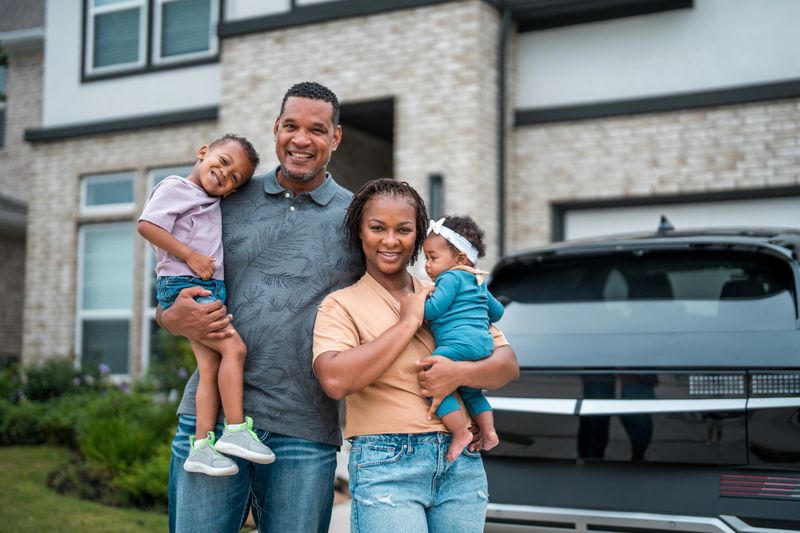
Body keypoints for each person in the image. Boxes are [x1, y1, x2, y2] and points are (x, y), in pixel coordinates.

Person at [158, 82, 364, 533]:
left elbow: (386, 302)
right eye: (290, 126)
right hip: (209, 424)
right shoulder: (228, 196)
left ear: (336, 138)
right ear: (276, 129)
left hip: (303, 426)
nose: (301, 140)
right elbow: (173, 284)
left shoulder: (356, 217)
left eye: (316, 129)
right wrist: (171, 316)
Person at [313, 179, 519, 533]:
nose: (390, 240)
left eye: (404, 230)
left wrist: (458, 375)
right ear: (359, 232)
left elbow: (507, 365)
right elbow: (335, 380)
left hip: (461, 462)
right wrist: (408, 322)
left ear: (419, 238)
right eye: (377, 228)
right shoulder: (341, 305)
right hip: (387, 462)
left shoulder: (449, 288)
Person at [139, 133, 275, 477]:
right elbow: (147, 225)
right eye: (223, 162)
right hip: (189, 285)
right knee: (236, 350)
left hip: (203, 284)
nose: (224, 175)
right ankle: (235, 430)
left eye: (234, 178)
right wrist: (189, 255)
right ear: (203, 152)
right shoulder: (175, 186)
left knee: (211, 369)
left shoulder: (209, 198)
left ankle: (200, 447)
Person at [422, 214, 505, 461]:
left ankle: (460, 432)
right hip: (483, 345)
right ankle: (489, 432)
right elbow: (498, 312)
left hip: (458, 344)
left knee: (431, 376)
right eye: (425, 258)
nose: (427, 265)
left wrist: (416, 305)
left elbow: (434, 309)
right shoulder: (477, 279)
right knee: (471, 393)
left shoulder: (450, 277)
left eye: (433, 258)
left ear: (459, 258)